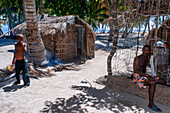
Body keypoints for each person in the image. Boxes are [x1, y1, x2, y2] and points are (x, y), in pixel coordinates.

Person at [133, 45, 168, 112]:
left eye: (148, 50)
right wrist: (147, 76)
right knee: (152, 83)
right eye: (145, 50)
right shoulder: (137, 58)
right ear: (142, 50)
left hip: (145, 75)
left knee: (163, 81)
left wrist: (151, 76)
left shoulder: (148, 57)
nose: (147, 52)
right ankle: (151, 104)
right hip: (137, 76)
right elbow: (137, 70)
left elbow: (152, 67)